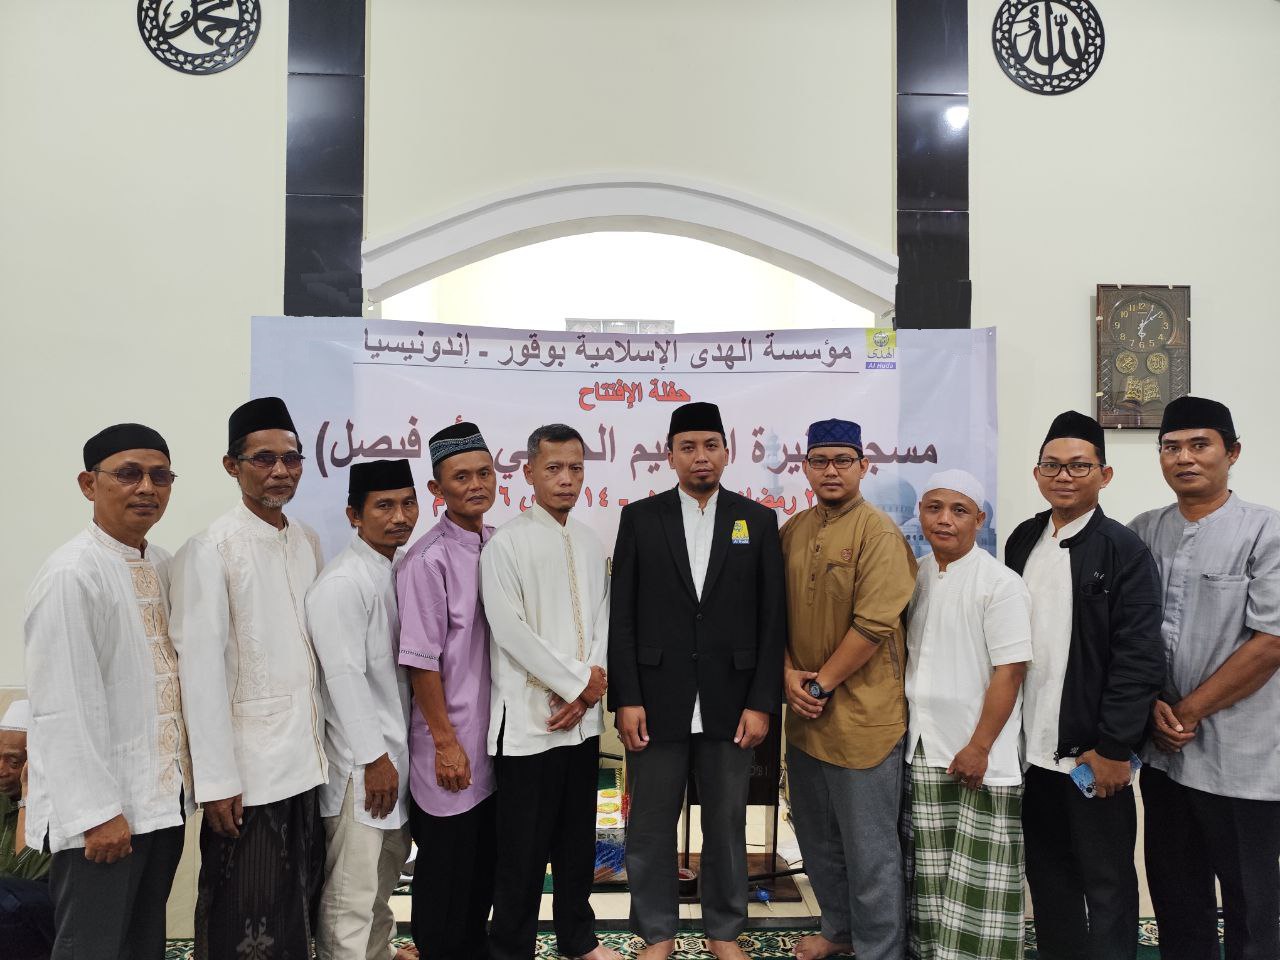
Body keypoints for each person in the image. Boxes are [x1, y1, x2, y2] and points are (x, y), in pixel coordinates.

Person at [609, 401, 786, 960]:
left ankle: (724, 931)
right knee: (651, 825)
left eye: (710, 445)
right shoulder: (641, 518)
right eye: (688, 447)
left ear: (727, 452)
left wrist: (762, 702)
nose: (700, 457)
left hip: (732, 701)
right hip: (656, 698)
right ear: (670, 456)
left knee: (728, 823)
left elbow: (772, 620)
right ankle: (657, 933)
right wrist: (627, 697)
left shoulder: (757, 521)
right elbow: (623, 616)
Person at [23, 424, 192, 959]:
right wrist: (97, 814)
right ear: (88, 484)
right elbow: (61, 707)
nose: (147, 487)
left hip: (158, 804)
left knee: (142, 944)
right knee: (91, 948)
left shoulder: (160, 563)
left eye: (160, 476)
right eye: (129, 474)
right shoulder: (72, 573)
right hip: (102, 817)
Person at [171, 396, 328, 959]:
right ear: (231, 466)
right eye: (264, 459)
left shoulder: (306, 540)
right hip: (249, 774)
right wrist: (216, 782)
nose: (281, 471)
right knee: (244, 915)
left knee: (296, 911)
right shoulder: (210, 550)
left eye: (291, 458)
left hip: (307, 763)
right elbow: (200, 670)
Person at [1004, 410, 1164, 960]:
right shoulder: (1024, 539)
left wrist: (1115, 747)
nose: (1064, 476)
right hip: (1031, 751)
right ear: (1037, 473)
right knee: (1049, 878)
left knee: (1107, 881)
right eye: (1052, 465)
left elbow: (1138, 656)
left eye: (1078, 466)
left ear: (1104, 474)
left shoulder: (1123, 549)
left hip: (1092, 754)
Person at [1130, 396, 1280, 960]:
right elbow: (1125, 634)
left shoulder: (1266, 531)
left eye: (1200, 445)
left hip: (1242, 758)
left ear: (1232, 452)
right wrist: (1150, 707)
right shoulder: (1143, 531)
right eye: (1171, 447)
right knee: (1177, 899)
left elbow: (1271, 643)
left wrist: (1186, 712)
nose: (1184, 458)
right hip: (1164, 756)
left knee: (1251, 905)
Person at [480, 424, 619, 960]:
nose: (566, 479)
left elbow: (604, 619)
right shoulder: (506, 544)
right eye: (554, 468)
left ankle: (578, 940)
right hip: (530, 727)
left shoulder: (589, 539)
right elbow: (510, 631)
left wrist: (588, 689)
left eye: (575, 468)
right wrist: (577, 684)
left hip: (580, 724)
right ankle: (510, 948)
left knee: (577, 844)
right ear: (529, 472)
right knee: (522, 852)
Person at [778, 418, 915, 960]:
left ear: (864, 466)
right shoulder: (793, 530)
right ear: (805, 467)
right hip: (806, 714)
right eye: (820, 461)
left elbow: (874, 624)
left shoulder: (879, 533)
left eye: (842, 460)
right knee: (818, 838)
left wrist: (820, 683)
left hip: (863, 719)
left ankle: (880, 948)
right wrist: (787, 674)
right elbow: (772, 614)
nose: (830, 471)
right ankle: (839, 932)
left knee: (869, 848)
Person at [905, 470, 1032, 960]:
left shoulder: (1000, 584)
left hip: (977, 755)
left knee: (980, 885)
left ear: (979, 520)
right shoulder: (914, 574)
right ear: (920, 514)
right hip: (923, 748)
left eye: (958, 511)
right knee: (930, 881)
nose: (944, 520)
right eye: (934, 508)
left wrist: (979, 746)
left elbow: (1011, 671)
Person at [308, 459, 420, 960]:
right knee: (349, 897)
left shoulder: (400, 570)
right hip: (362, 769)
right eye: (384, 506)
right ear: (354, 515)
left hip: (395, 762)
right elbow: (344, 679)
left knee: (381, 886)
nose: (400, 516)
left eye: (408, 503)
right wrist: (374, 759)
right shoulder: (342, 583)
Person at [396, 423, 498, 959]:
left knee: (482, 873)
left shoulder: (498, 544)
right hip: (450, 743)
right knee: (445, 877)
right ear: (438, 489)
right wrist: (445, 743)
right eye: (461, 477)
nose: (476, 485)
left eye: (484, 473)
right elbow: (421, 663)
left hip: (493, 744)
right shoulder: (427, 560)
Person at [0, 700, 54, 959]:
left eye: (13, 761)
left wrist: (28, 797)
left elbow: (25, 873)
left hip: (43, 910)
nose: (1, 769)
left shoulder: (55, 805)